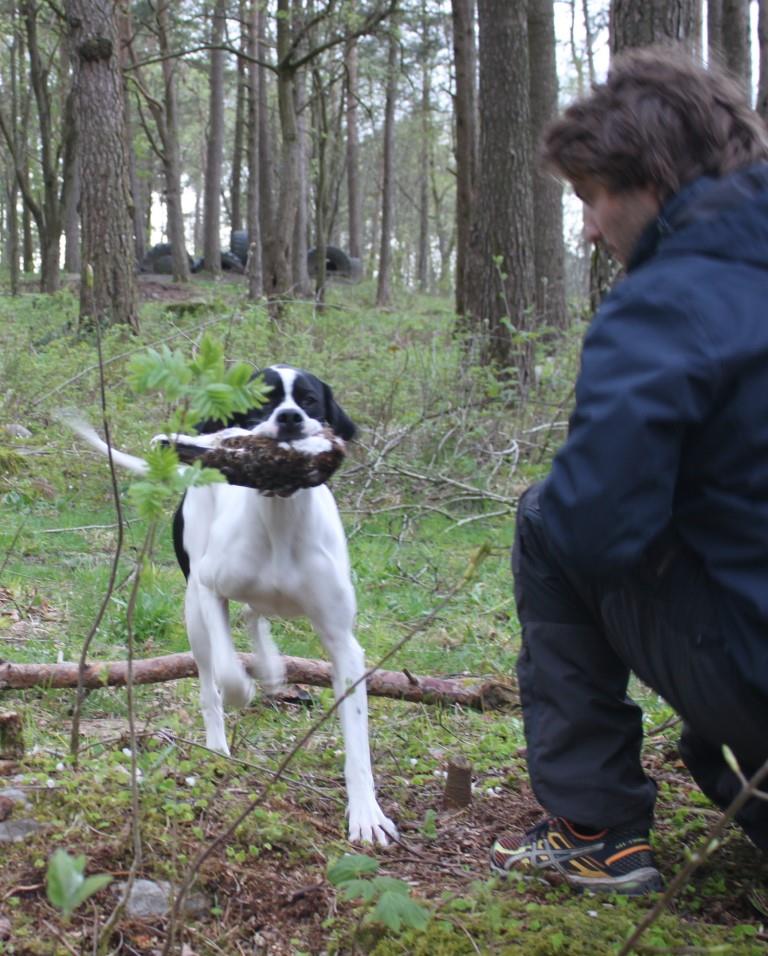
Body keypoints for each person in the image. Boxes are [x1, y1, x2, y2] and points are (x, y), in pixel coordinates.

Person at [489, 46, 768, 895]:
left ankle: (593, 829)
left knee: (546, 521)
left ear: (647, 178)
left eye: (590, 198)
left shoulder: (664, 304)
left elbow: (595, 525)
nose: (588, 228)